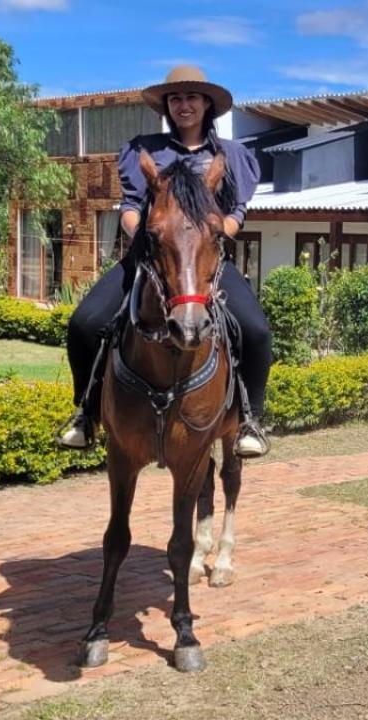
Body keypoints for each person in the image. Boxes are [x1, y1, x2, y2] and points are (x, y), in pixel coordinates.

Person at [57, 66, 272, 457]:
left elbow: (238, 209)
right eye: (176, 99)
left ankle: (251, 419)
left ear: (207, 104)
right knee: (84, 323)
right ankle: (86, 413)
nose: (183, 105)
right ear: (167, 106)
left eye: (192, 97)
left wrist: (215, 231)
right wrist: (146, 231)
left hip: (208, 262)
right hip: (149, 257)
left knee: (256, 331)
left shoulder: (232, 155)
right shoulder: (146, 150)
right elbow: (130, 206)